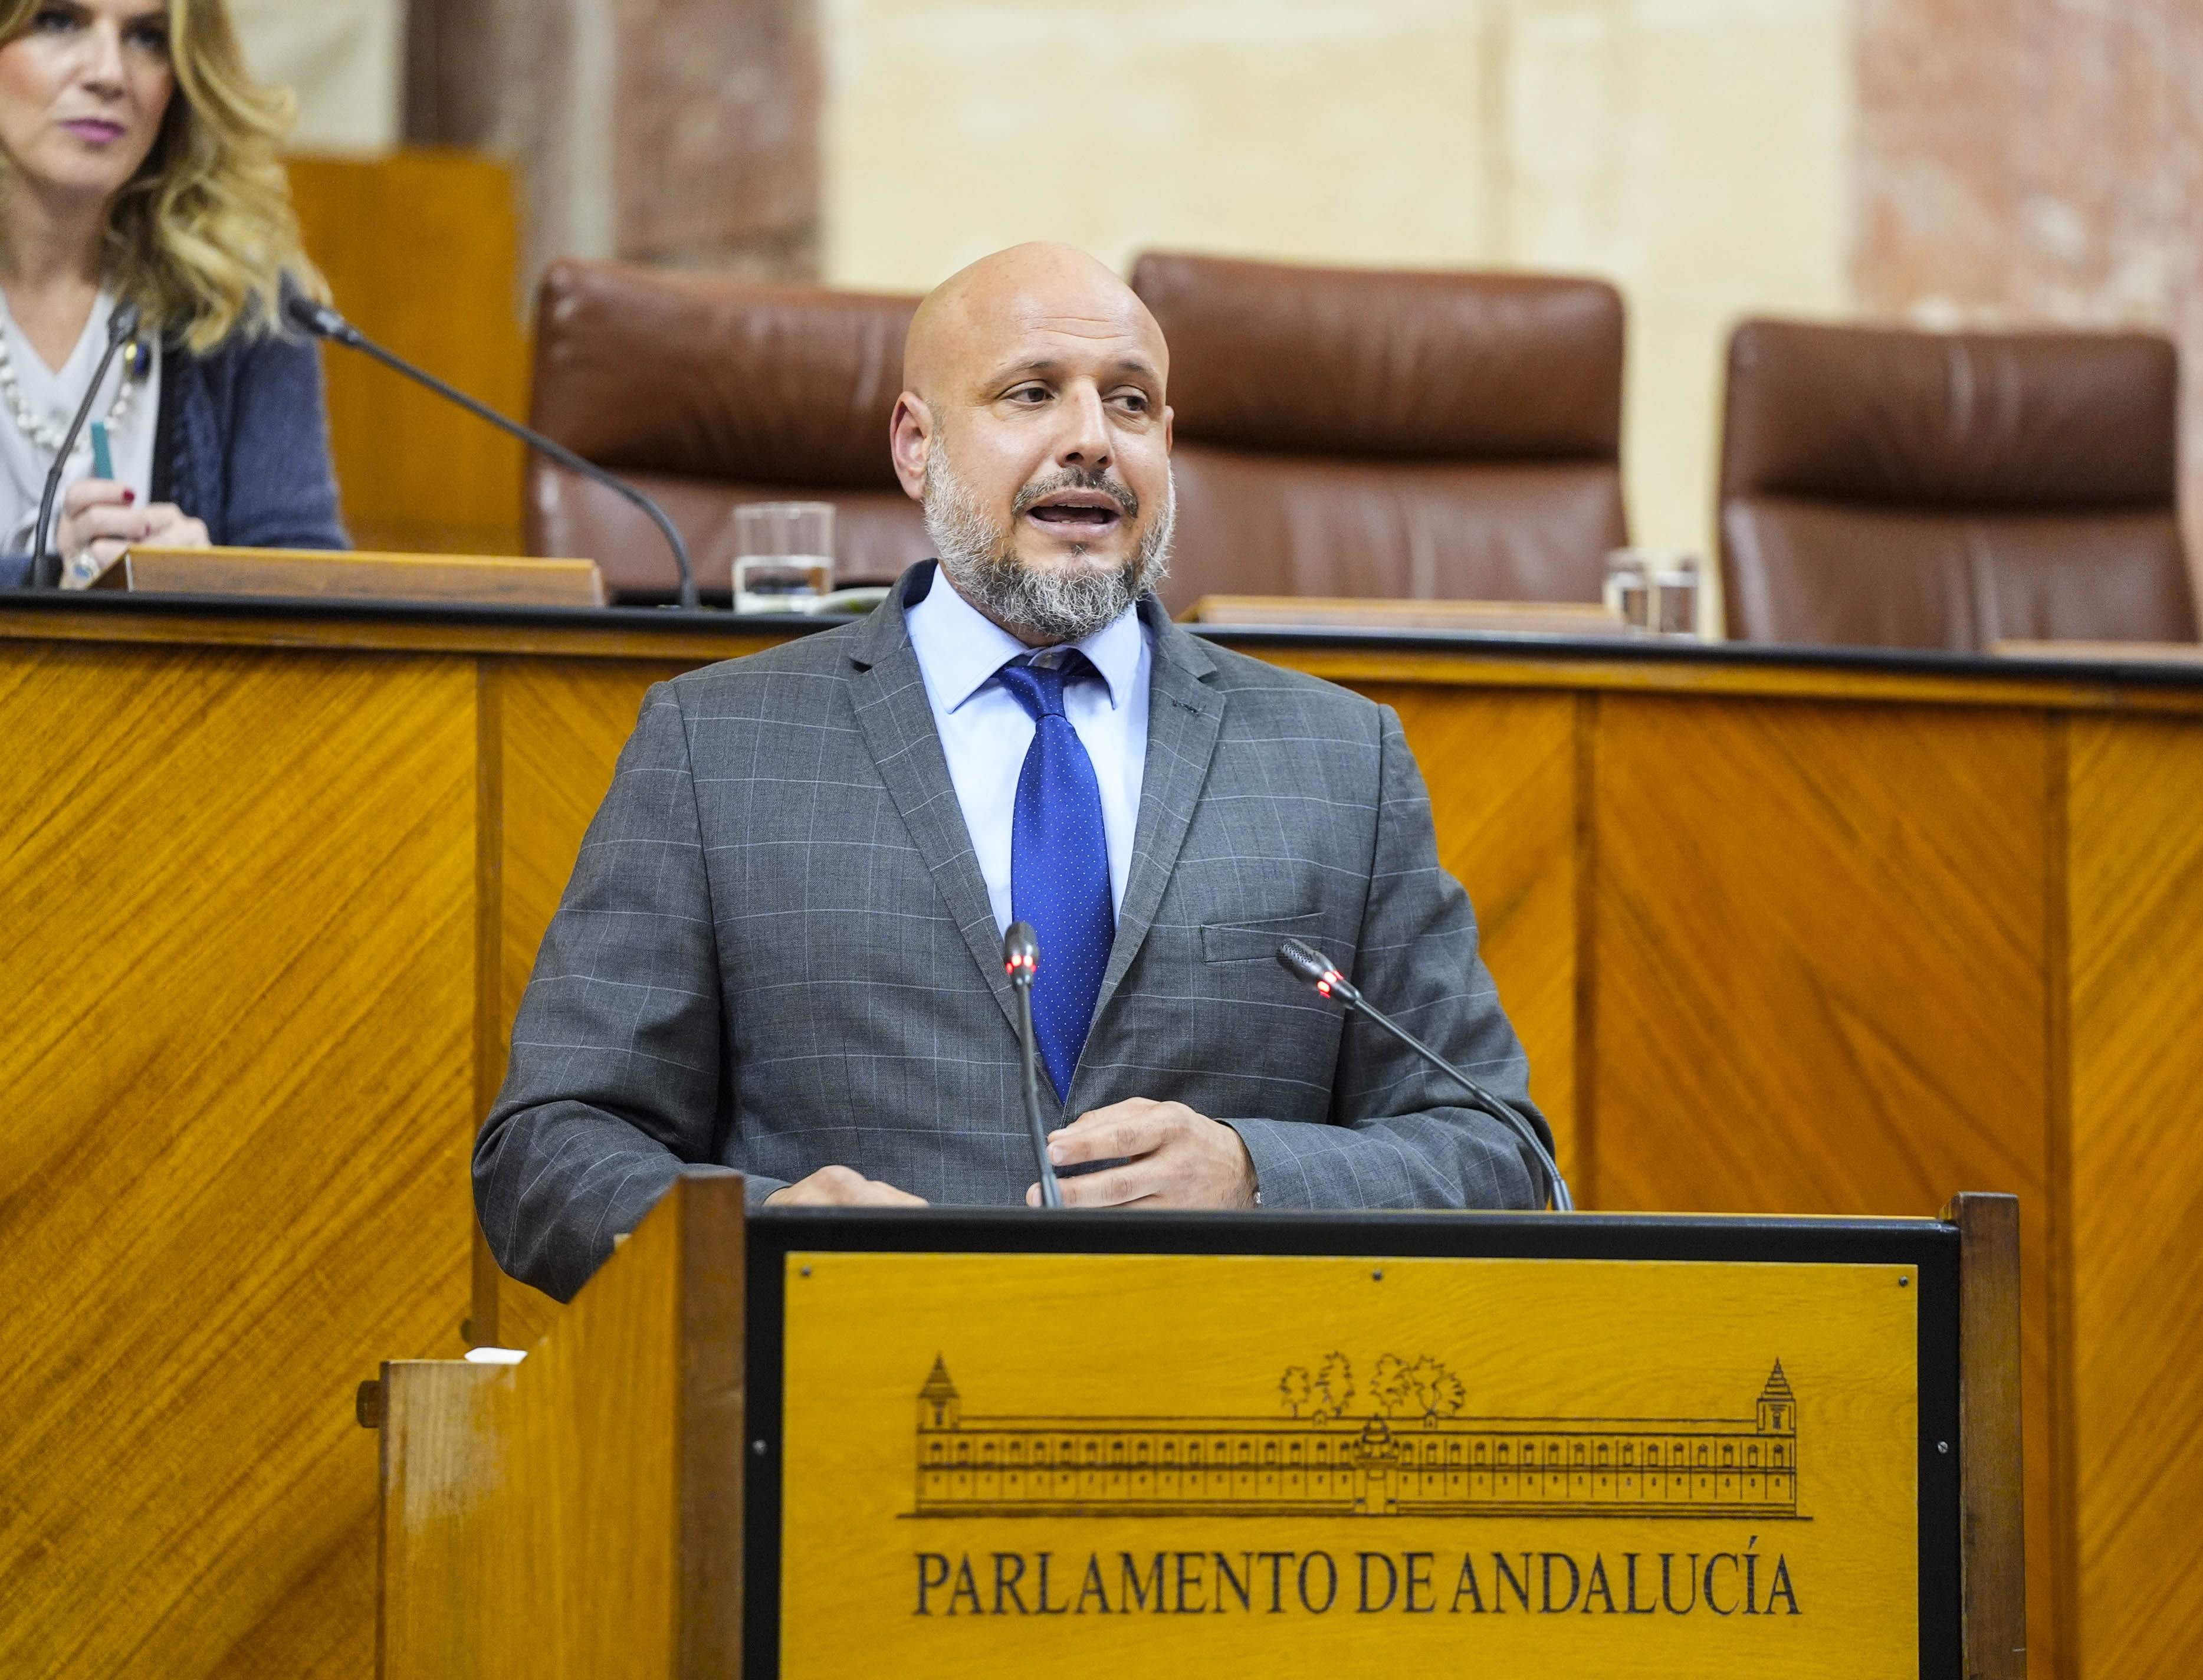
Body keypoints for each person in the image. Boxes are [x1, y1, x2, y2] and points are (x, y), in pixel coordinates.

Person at [477, 242, 1555, 1301]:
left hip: (1231, 1425)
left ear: (1167, 445)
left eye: (1129, 404)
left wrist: (1258, 1174)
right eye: (1032, 393)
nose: (1089, 439)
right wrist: (758, 1235)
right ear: (916, 444)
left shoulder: (1336, 758)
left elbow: (1501, 1152)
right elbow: (549, 1155)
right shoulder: (720, 744)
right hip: (845, 1408)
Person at [0, 0, 344, 589]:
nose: (109, 73)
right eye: (59, 21)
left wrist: (214, 583)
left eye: (148, 38)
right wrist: (42, 575)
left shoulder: (239, 299)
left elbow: (312, 589)